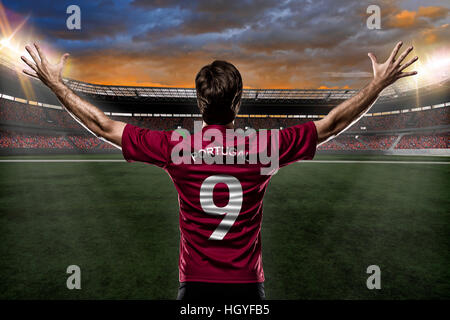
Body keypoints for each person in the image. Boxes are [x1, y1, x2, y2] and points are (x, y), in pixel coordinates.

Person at [21, 41, 417, 300]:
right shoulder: (263, 148)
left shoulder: (179, 148)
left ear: (198, 103)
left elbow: (105, 127)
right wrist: (378, 84)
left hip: (193, 287)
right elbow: (331, 124)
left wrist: (57, 86)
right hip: (248, 288)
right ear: (239, 101)